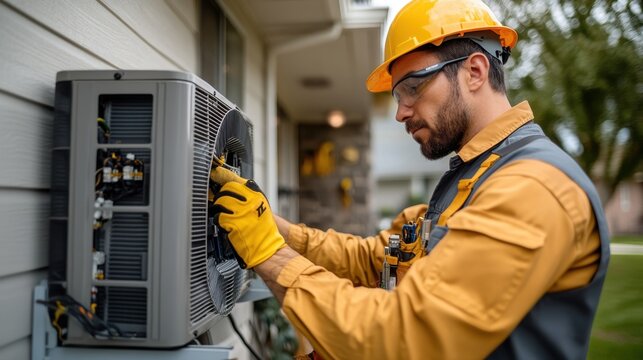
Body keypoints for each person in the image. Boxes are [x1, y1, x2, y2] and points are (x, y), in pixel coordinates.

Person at [211, 0, 610, 358]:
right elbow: (369, 260)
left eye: (413, 88)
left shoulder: (532, 187)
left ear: (474, 71)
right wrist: (269, 226)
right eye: (397, 96)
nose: (401, 112)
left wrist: (269, 254)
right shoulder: (475, 178)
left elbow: (407, 339)